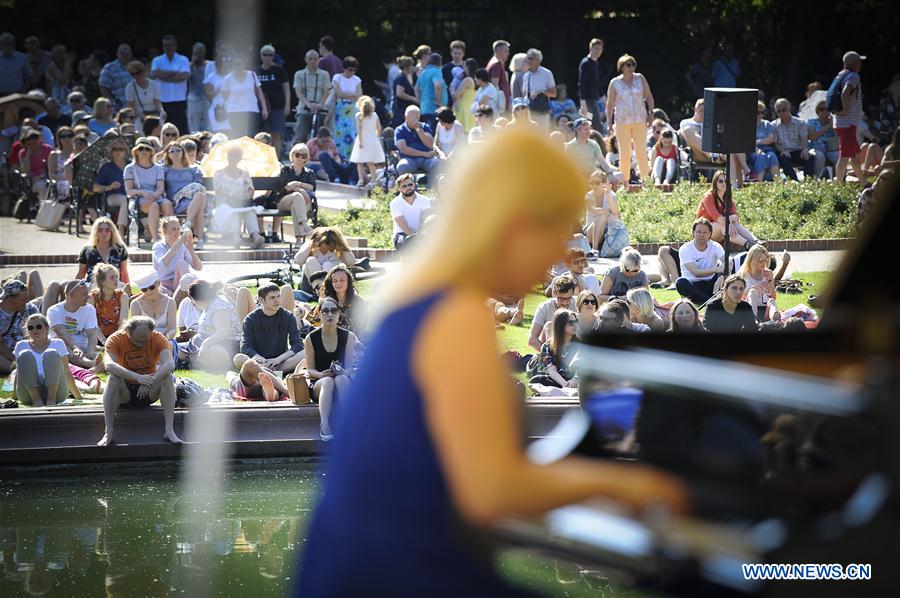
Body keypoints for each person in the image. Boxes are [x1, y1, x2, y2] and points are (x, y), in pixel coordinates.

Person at [297, 128, 686, 596]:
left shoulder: (419, 298)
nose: (561, 254)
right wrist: (627, 486)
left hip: (348, 563)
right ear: (515, 224)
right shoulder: (457, 316)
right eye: (556, 230)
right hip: (393, 573)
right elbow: (490, 493)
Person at [96, 316, 181, 446]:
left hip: (149, 391)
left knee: (167, 378)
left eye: (145, 341)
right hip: (125, 394)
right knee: (113, 378)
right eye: (137, 341)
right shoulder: (116, 339)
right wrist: (138, 377)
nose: (141, 345)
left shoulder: (158, 338)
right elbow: (109, 365)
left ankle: (169, 430)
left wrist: (151, 380)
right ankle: (109, 431)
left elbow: (169, 365)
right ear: (128, 332)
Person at [300, 296, 358, 441]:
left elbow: (350, 368)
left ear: (339, 314)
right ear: (319, 314)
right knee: (328, 381)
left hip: (342, 382)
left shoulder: (348, 336)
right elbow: (310, 370)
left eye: (333, 311)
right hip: (320, 385)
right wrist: (320, 375)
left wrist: (343, 371)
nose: (329, 314)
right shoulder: (311, 338)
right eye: (325, 311)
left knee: (341, 378)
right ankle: (324, 425)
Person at [233, 282, 304, 380]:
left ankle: (265, 372)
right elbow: (245, 347)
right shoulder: (250, 319)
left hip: (281, 361)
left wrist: (277, 360)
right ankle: (270, 372)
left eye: (278, 296)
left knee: (305, 354)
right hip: (259, 361)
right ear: (262, 300)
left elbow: (297, 345)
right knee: (238, 358)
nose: (277, 300)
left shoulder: (288, 316)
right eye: (272, 298)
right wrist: (262, 360)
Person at [13, 313, 82, 406]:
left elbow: (66, 371)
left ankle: (51, 399)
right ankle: (36, 399)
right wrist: (14, 397)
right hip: (29, 395)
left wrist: (78, 397)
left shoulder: (58, 343)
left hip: (57, 393)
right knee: (24, 354)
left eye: (38, 326)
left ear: (46, 328)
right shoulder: (21, 345)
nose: (34, 330)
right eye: (30, 328)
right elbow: (20, 372)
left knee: (51, 352)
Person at [607, 54, 654, 183]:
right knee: (625, 153)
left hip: (640, 119)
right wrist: (609, 122)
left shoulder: (640, 78)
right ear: (621, 66)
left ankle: (646, 182)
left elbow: (649, 97)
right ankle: (625, 183)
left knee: (641, 152)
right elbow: (610, 104)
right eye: (628, 64)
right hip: (622, 121)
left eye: (633, 64)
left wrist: (651, 113)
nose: (631, 67)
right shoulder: (614, 83)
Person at [177, 280, 241, 371]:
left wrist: (205, 345)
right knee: (170, 347)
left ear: (197, 300)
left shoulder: (219, 307)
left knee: (215, 352)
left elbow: (223, 331)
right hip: (201, 344)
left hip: (225, 346)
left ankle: (189, 360)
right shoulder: (211, 303)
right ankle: (189, 359)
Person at [212, 145, 265, 248]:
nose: (233, 157)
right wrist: (233, 195)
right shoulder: (219, 173)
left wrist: (246, 195)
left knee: (249, 211)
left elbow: (250, 189)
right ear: (227, 156)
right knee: (233, 211)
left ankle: (256, 237)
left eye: (236, 155)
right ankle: (236, 238)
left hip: (242, 203)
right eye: (231, 155)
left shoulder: (244, 173)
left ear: (240, 158)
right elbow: (218, 190)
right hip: (225, 203)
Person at [696, 170, 760, 249]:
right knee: (723, 225)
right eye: (720, 181)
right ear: (715, 183)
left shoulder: (727, 197)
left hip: (718, 230)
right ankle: (747, 244)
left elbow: (736, 217)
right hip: (701, 230)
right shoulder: (708, 197)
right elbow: (717, 218)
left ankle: (756, 241)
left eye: (726, 181)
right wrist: (729, 222)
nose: (724, 183)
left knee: (735, 225)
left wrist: (729, 222)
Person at [125, 137, 170, 243]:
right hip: (138, 198)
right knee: (154, 206)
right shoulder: (130, 168)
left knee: (167, 204)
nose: (144, 151)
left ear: (151, 152)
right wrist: (143, 193)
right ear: (135, 152)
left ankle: (168, 237)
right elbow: (129, 191)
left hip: (156, 195)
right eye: (141, 149)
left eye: (147, 149)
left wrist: (154, 195)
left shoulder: (158, 168)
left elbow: (160, 188)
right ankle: (156, 239)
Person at [269, 143, 317, 241]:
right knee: (297, 195)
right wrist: (302, 190)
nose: (300, 158)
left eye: (303, 156)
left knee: (295, 206)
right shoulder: (286, 170)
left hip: (301, 203)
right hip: (283, 201)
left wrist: (297, 183)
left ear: (306, 158)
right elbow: (286, 186)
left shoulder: (309, 172)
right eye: (297, 155)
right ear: (293, 155)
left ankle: (298, 241)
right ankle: (305, 225)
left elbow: (312, 187)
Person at [47, 280, 100, 369]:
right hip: (63, 346)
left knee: (102, 356)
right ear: (71, 295)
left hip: (83, 347)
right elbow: (63, 334)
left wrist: (90, 350)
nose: (88, 297)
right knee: (63, 346)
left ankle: (92, 362)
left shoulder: (90, 309)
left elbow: (92, 334)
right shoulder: (54, 311)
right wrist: (75, 348)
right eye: (84, 294)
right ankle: (89, 364)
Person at [161, 142, 207, 243]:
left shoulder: (194, 170)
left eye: (178, 150)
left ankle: (188, 224)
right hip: (175, 203)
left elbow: (198, 186)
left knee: (200, 196)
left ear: (183, 152)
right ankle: (200, 240)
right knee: (199, 208)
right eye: (172, 151)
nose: (175, 153)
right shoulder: (164, 170)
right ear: (168, 154)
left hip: (193, 200)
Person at [291, 227, 358, 296]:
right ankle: (320, 290)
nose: (325, 250)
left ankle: (325, 291)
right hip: (310, 285)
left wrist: (342, 247)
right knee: (311, 260)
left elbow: (351, 262)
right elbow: (298, 260)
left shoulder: (338, 250)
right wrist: (310, 246)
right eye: (321, 247)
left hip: (331, 286)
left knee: (328, 264)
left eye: (329, 247)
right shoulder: (310, 247)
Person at [832, 51, 866, 184]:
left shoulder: (841, 75)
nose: (861, 64)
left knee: (852, 155)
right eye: (859, 62)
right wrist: (845, 110)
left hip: (841, 122)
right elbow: (846, 91)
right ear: (854, 64)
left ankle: (863, 183)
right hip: (847, 123)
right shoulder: (853, 76)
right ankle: (839, 187)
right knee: (845, 156)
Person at [675, 217, 725, 305]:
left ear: (710, 234)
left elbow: (728, 261)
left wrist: (721, 276)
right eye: (698, 232)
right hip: (692, 284)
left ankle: (709, 299)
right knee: (680, 282)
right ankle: (711, 301)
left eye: (705, 232)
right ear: (693, 233)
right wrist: (716, 270)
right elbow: (695, 272)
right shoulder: (685, 249)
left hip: (711, 283)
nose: (702, 235)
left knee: (728, 275)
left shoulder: (715, 246)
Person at [527, 309, 580, 389]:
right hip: (559, 380)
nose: (575, 325)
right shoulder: (547, 346)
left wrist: (575, 379)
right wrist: (566, 385)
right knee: (536, 380)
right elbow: (552, 371)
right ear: (561, 325)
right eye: (571, 323)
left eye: (576, 321)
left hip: (577, 378)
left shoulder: (581, 343)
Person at [150, 34, 190, 134]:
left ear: (175, 46)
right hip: (162, 101)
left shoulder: (183, 59)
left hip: (179, 100)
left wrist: (163, 75)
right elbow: (154, 74)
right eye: (166, 45)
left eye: (170, 45)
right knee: (163, 129)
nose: (168, 47)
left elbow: (185, 75)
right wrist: (175, 73)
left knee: (181, 129)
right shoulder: (157, 60)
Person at [76, 217, 132, 288]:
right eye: (100, 230)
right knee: (65, 284)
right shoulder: (87, 250)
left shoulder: (120, 249)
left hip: (114, 286)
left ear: (112, 232)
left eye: (107, 230)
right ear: (96, 232)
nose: (104, 233)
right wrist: (76, 289)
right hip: (92, 285)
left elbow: (124, 273)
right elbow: (81, 273)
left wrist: (129, 290)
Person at [153, 216, 202, 295]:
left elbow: (199, 268)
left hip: (178, 282)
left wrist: (191, 249)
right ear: (165, 231)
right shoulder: (158, 246)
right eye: (173, 229)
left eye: (178, 229)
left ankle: (192, 292)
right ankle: (178, 295)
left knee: (181, 263)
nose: (177, 232)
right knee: (162, 291)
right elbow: (162, 264)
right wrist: (179, 243)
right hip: (164, 284)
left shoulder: (182, 246)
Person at [0, 280, 40, 375]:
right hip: (5, 354)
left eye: (27, 298)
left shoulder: (30, 309)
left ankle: (26, 368)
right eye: (23, 299)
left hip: (29, 350)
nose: (26, 302)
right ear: (10, 300)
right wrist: (17, 359)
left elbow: (41, 331)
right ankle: (20, 369)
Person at [222, 53, 267, 138]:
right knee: (237, 136)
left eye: (240, 63)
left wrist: (264, 108)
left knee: (252, 136)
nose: (238, 66)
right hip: (235, 111)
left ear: (244, 64)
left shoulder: (252, 75)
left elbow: (260, 93)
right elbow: (225, 97)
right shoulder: (227, 79)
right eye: (235, 64)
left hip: (252, 109)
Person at [528, 274, 576, 351]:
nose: (564, 303)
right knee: (549, 325)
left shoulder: (577, 304)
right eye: (561, 299)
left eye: (568, 299)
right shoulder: (544, 307)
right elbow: (532, 340)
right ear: (554, 293)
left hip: (572, 352)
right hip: (550, 351)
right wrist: (547, 354)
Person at [257, 44, 290, 154]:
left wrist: (287, 105)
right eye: (265, 55)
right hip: (260, 108)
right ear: (261, 56)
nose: (267, 57)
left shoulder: (279, 70)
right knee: (261, 134)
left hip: (277, 107)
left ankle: (277, 159)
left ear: (273, 56)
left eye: (270, 55)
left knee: (276, 133)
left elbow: (286, 89)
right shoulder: (255, 72)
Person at [92, 140, 130, 235]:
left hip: (131, 195)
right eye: (115, 149)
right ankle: (120, 231)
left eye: (121, 149)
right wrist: (110, 186)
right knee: (125, 200)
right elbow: (95, 187)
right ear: (111, 152)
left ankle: (147, 229)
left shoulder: (131, 166)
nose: (118, 152)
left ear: (126, 151)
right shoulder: (107, 167)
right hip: (112, 197)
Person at [772, 98, 814, 180]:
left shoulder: (800, 122)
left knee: (808, 157)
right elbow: (775, 143)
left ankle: (808, 181)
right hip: (784, 151)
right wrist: (782, 151)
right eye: (778, 111)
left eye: (783, 110)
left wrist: (805, 150)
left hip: (798, 150)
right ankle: (794, 181)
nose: (781, 113)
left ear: (789, 108)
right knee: (783, 158)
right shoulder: (774, 125)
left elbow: (804, 139)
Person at [293, 49, 330, 143]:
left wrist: (320, 105)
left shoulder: (325, 74)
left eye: (315, 59)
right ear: (306, 60)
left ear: (318, 60)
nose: (312, 61)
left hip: (320, 108)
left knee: (321, 137)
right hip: (304, 108)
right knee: (300, 135)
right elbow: (299, 92)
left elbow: (326, 92)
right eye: (310, 59)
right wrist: (308, 104)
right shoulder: (299, 74)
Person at [394, 105, 440, 179]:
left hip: (427, 159)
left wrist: (418, 129)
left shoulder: (425, 126)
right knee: (402, 166)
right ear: (406, 117)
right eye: (412, 117)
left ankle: (432, 189)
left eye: (416, 117)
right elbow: (404, 149)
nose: (414, 119)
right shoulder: (399, 130)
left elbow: (430, 144)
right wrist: (424, 154)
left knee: (438, 164)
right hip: (409, 159)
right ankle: (409, 189)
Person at [87, 264, 130, 342]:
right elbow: (92, 323)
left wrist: (115, 339)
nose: (116, 280)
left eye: (116, 276)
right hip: (96, 336)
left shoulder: (122, 296)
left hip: (117, 335)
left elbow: (123, 322)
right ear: (102, 281)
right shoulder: (92, 297)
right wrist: (103, 341)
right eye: (112, 277)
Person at [129, 271, 177, 340]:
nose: (148, 292)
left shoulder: (170, 302)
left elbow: (173, 328)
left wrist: (163, 339)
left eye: (151, 287)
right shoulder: (135, 304)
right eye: (144, 289)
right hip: (144, 341)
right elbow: (135, 330)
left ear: (158, 283)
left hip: (166, 340)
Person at [349, 95, 385, 187]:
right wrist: (376, 136)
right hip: (372, 139)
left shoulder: (358, 116)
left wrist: (360, 141)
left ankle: (361, 180)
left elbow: (359, 129)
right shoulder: (375, 115)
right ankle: (373, 180)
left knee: (360, 162)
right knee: (371, 162)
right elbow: (379, 128)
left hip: (362, 139)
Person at [390, 173, 433, 249]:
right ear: (399, 189)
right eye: (404, 186)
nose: (408, 187)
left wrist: (420, 237)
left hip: (421, 234)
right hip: (402, 234)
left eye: (410, 184)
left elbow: (426, 221)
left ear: (414, 185)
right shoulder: (395, 203)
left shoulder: (425, 200)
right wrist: (416, 240)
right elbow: (404, 227)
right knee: (408, 242)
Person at [739, 244, 780, 322]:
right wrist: (753, 288)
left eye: (766, 260)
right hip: (749, 309)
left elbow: (774, 297)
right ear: (752, 260)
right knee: (752, 292)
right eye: (761, 260)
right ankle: (754, 321)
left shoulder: (768, 273)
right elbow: (739, 297)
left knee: (771, 301)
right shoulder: (743, 274)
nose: (764, 263)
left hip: (765, 309)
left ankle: (775, 320)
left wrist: (770, 284)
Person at [332, 57, 362, 159]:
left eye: (354, 70)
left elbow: (359, 95)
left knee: (352, 132)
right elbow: (339, 93)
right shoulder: (337, 78)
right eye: (350, 70)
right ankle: (340, 156)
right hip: (341, 109)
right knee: (340, 133)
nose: (352, 72)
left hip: (353, 109)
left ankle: (352, 157)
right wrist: (352, 95)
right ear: (344, 68)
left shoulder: (357, 79)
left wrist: (347, 94)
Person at [521, 48, 555, 129]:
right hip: (529, 113)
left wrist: (540, 91)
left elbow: (554, 93)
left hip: (542, 114)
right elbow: (524, 95)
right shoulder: (526, 75)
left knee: (542, 138)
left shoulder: (546, 73)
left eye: (530, 58)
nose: (528, 60)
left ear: (538, 60)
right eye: (527, 58)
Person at [203, 43, 232, 136]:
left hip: (231, 109)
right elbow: (209, 96)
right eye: (224, 64)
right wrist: (221, 87)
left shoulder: (231, 76)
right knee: (218, 135)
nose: (226, 66)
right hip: (217, 109)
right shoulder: (212, 77)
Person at [748, 100, 780, 181]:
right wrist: (760, 143)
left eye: (762, 112)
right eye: (758, 112)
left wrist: (756, 142)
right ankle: (759, 184)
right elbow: (747, 141)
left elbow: (770, 139)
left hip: (766, 149)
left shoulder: (767, 124)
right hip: (752, 150)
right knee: (761, 157)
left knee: (772, 156)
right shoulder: (748, 125)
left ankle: (777, 182)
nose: (760, 115)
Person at [578, 38, 607, 130]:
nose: (598, 51)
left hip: (594, 99)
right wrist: (583, 103)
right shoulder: (585, 63)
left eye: (600, 49)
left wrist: (603, 97)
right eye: (596, 48)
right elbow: (582, 84)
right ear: (590, 49)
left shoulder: (595, 63)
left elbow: (596, 82)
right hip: (587, 101)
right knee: (595, 124)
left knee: (591, 123)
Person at [806, 101, 839, 178]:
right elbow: (811, 136)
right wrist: (827, 127)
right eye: (821, 109)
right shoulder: (812, 122)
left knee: (838, 156)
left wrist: (833, 126)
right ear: (818, 111)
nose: (824, 111)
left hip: (830, 149)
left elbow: (838, 137)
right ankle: (815, 178)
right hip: (816, 148)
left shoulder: (833, 122)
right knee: (820, 157)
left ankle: (839, 179)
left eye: (826, 109)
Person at [416, 52, 447, 128]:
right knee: (434, 133)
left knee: (428, 131)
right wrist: (439, 103)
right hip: (434, 108)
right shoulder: (436, 71)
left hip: (424, 108)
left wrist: (420, 101)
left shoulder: (423, 72)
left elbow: (416, 88)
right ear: (440, 63)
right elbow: (438, 85)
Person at [186, 42, 209, 133]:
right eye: (196, 53)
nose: (199, 55)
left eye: (201, 52)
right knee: (193, 125)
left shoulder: (209, 65)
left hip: (206, 99)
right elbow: (187, 79)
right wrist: (193, 63)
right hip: (193, 99)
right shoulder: (189, 66)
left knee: (207, 125)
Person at [390, 55, 418, 128]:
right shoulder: (401, 78)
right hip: (400, 110)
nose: (413, 67)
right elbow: (400, 93)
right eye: (411, 65)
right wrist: (413, 98)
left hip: (403, 109)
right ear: (406, 67)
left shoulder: (405, 77)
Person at [452, 59, 478, 132]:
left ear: (467, 67)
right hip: (470, 108)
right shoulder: (475, 80)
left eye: (464, 65)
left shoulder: (467, 80)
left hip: (462, 109)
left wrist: (452, 89)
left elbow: (455, 96)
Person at [486, 40, 511, 113]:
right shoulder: (496, 64)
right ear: (499, 51)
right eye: (506, 51)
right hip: (499, 106)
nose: (508, 53)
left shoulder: (492, 62)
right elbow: (495, 86)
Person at [441, 40, 466, 108]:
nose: (457, 55)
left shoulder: (467, 68)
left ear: (463, 54)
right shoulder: (445, 68)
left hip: (464, 100)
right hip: (449, 101)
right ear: (451, 53)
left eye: (459, 53)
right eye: (455, 53)